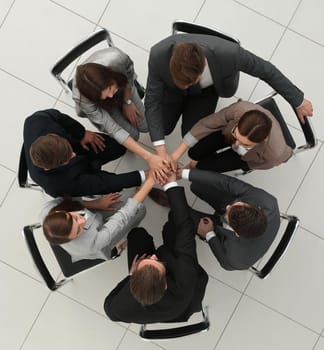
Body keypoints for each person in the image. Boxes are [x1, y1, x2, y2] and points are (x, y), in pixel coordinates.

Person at [145, 35, 313, 167]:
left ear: (203, 65)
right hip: (171, 91)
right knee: (160, 127)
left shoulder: (230, 54)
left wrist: (297, 100)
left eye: (191, 82)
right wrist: (160, 150)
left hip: (206, 93)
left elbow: (267, 71)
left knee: (194, 136)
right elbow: (152, 102)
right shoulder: (158, 54)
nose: (186, 86)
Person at [104, 172, 208, 324]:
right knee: (177, 228)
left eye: (147, 261)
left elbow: (110, 309)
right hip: (180, 298)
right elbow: (185, 227)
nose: (153, 256)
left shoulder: (119, 308)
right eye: (156, 261)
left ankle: (147, 267)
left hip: (158, 299)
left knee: (136, 234)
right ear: (165, 284)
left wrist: (131, 276)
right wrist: (171, 184)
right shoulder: (185, 274)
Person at [73, 48, 171, 181]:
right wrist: (149, 157)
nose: (110, 95)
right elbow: (113, 128)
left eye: (109, 88)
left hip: (123, 88)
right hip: (103, 108)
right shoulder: (82, 99)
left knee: (146, 125)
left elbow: (128, 76)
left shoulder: (118, 59)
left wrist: (127, 101)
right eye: (105, 95)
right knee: (133, 136)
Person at [23, 109, 145, 197]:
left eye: (70, 152)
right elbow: (104, 183)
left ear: (53, 135)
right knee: (110, 181)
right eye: (68, 158)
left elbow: (59, 117)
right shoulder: (57, 185)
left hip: (78, 142)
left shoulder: (35, 121)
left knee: (118, 148)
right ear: (47, 168)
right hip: (80, 174)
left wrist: (82, 133)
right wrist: (143, 175)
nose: (73, 155)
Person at [178, 168, 280, 270]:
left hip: (222, 235)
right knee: (198, 185)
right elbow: (228, 182)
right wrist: (184, 173)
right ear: (254, 208)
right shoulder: (267, 202)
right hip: (237, 216)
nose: (227, 207)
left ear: (237, 233)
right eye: (239, 204)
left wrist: (208, 234)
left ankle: (172, 201)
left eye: (228, 212)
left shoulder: (235, 260)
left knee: (184, 216)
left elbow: (224, 262)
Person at [40, 175, 154, 262]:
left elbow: (72, 200)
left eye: (74, 218)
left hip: (94, 216)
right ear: (72, 238)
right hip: (100, 243)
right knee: (139, 210)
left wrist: (96, 204)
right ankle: (120, 243)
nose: (82, 221)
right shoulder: (90, 244)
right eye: (78, 230)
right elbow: (122, 217)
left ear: (60, 211)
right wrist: (149, 183)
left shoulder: (48, 210)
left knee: (124, 199)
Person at [172, 100, 293, 172]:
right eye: (238, 137)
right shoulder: (239, 109)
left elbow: (265, 164)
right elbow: (208, 123)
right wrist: (176, 155)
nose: (236, 145)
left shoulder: (275, 153)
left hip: (249, 155)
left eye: (245, 144)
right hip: (228, 133)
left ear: (263, 140)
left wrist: (246, 165)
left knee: (204, 167)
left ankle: (197, 166)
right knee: (194, 152)